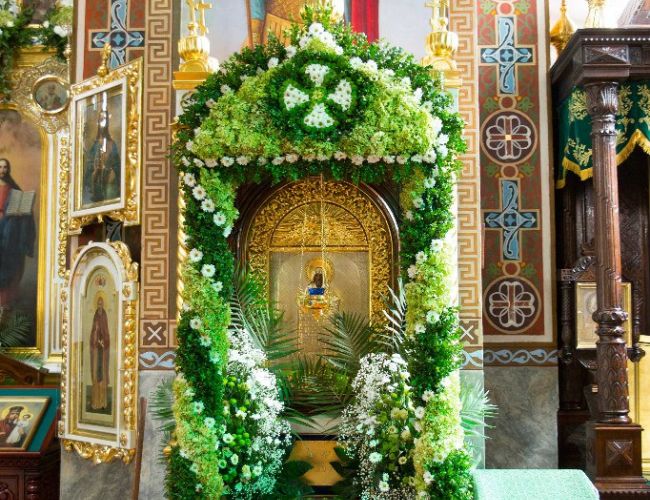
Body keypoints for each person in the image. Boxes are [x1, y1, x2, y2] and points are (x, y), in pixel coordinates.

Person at [0, 158, 36, 308]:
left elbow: (25, 208)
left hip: (10, 232)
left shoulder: (14, 189)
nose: (3, 170)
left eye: (5, 167)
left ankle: (6, 303)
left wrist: (23, 213)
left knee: (11, 263)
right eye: (0, 167)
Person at [83, 96, 120, 206]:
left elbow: (118, 165)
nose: (103, 122)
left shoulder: (112, 144)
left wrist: (113, 172)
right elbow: (88, 169)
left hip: (109, 182)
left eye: (105, 119)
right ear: (98, 122)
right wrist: (95, 172)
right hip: (96, 183)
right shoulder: (94, 146)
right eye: (101, 120)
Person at [90, 295, 110, 411]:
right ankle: (95, 402)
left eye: (101, 304)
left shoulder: (105, 315)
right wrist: (96, 339)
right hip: (96, 351)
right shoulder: (95, 315)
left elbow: (106, 331)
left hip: (103, 352)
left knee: (102, 376)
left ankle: (103, 403)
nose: (100, 305)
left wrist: (104, 341)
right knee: (96, 375)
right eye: (98, 304)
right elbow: (94, 331)